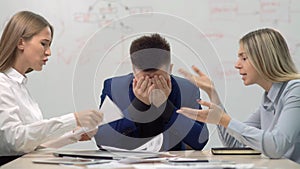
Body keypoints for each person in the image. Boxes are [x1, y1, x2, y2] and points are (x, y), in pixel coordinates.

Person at [177, 28, 300, 163]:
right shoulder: (268, 98)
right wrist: (213, 94)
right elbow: (235, 144)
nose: (237, 65)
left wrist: (224, 120)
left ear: (264, 58)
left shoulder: (295, 90)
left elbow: (276, 146)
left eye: (244, 58)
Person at [0, 11, 103, 165]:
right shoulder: (2, 83)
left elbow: (32, 146)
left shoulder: (19, 86)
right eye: (44, 43)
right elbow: (15, 141)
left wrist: (74, 134)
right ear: (21, 42)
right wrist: (73, 119)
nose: (48, 52)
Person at [94, 34, 208, 151]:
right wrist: (139, 105)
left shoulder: (187, 89)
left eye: (159, 78)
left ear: (170, 69)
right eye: (145, 79)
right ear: (133, 70)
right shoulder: (115, 87)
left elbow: (200, 141)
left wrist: (165, 107)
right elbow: (102, 140)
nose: (152, 85)